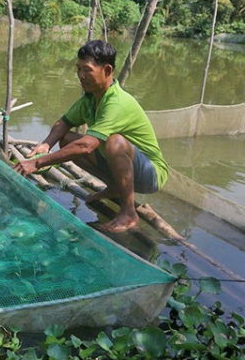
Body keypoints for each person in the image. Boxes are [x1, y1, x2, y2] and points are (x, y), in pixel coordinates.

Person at [13, 40, 168, 233]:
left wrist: (37, 163)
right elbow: (64, 123)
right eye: (78, 69)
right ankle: (114, 186)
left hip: (150, 173)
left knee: (114, 142)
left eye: (87, 70)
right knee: (68, 140)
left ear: (107, 70)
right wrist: (46, 144)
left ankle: (128, 213)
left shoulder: (117, 102)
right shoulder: (89, 98)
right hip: (125, 167)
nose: (80, 76)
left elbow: (86, 146)